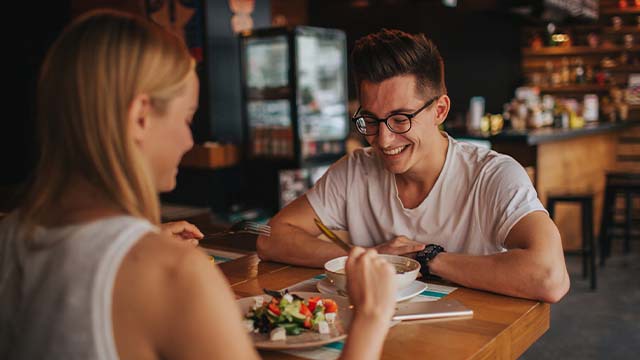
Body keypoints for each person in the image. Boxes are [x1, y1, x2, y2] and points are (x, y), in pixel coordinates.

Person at [0, 10, 396, 360]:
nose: (189, 140)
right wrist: (372, 318)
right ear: (140, 116)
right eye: (187, 117)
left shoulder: (10, 235)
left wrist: (148, 239)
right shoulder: (175, 274)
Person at [257, 29, 570, 303]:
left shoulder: (493, 175)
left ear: (439, 110)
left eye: (400, 118)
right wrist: (369, 258)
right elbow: (271, 237)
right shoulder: (355, 170)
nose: (383, 139)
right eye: (371, 120)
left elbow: (550, 277)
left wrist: (427, 259)